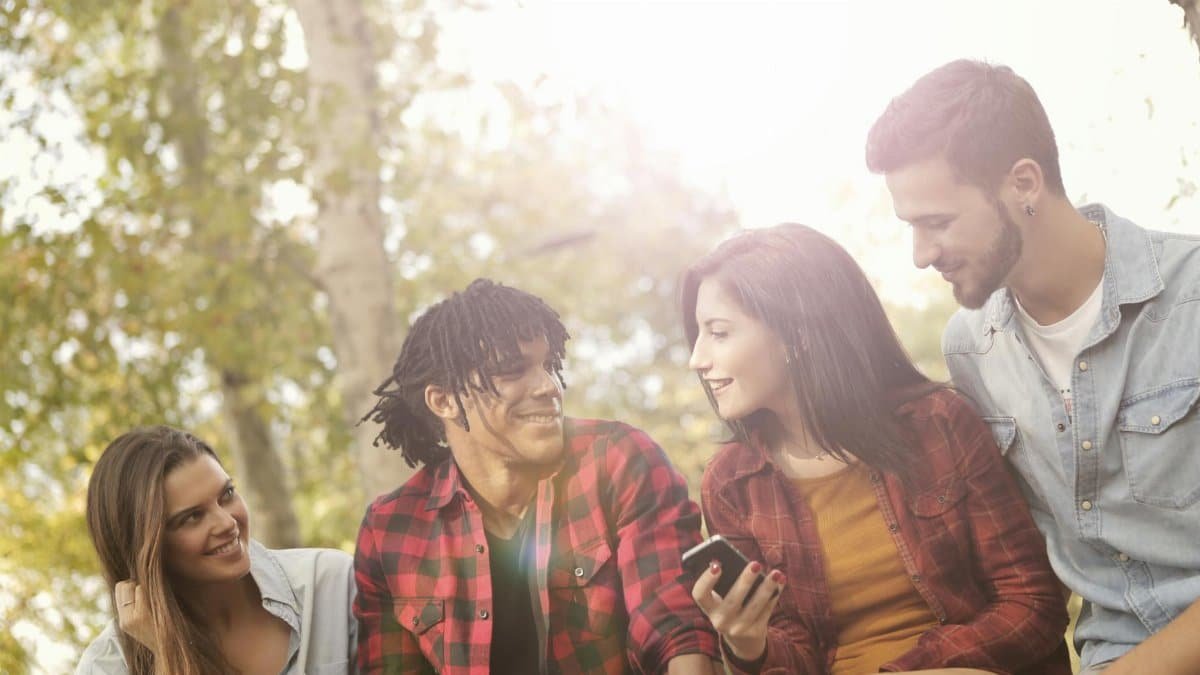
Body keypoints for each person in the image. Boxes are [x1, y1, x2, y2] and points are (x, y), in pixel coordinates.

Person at [867, 58, 1200, 675]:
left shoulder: (1191, 297)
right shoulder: (971, 349)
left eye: (937, 222)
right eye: (910, 228)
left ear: (1023, 183)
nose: (920, 255)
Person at [681, 223, 1069, 675]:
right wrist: (751, 647)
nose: (697, 359)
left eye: (720, 333)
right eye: (699, 334)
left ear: (798, 333)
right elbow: (795, 657)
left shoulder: (938, 425)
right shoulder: (732, 482)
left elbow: (1033, 604)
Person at [354, 278, 721, 674]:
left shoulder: (618, 460)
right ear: (443, 400)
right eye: (513, 371)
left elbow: (676, 627)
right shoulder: (390, 529)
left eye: (547, 365)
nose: (549, 386)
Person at [76, 426, 356, 675]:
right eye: (191, 517)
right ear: (146, 549)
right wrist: (166, 657)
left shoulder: (334, 586)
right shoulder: (106, 666)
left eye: (227, 495)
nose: (227, 522)